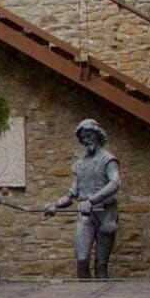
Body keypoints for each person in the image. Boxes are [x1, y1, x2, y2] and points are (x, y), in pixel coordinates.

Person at [38, 119, 121, 278]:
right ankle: (84, 295)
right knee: (82, 258)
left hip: (106, 214)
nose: (86, 140)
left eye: (89, 136)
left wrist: (91, 201)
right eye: (83, 138)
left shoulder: (108, 160)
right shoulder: (81, 164)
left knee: (101, 263)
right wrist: (55, 205)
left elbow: (115, 183)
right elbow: (72, 194)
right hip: (86, 216)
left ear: (97, 136)